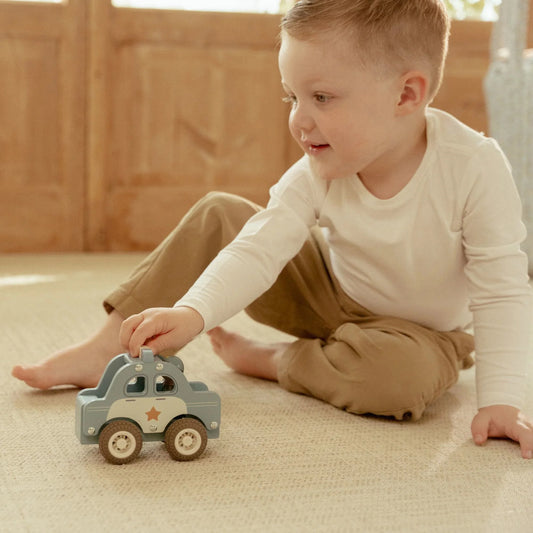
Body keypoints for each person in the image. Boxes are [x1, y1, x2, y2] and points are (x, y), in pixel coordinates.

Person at [12, 0, 533, 458]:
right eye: (292, 98)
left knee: (402, 380)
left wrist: (502, 400)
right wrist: (193, 313)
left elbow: (502, 290)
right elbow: (259, 247)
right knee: (221, 212)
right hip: (328, 290)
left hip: (421, 335)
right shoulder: (319, 169)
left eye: (321, 97)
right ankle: (111, 345)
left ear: (406, 94)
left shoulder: (473, 167)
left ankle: (276, 360)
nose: (299, 121)